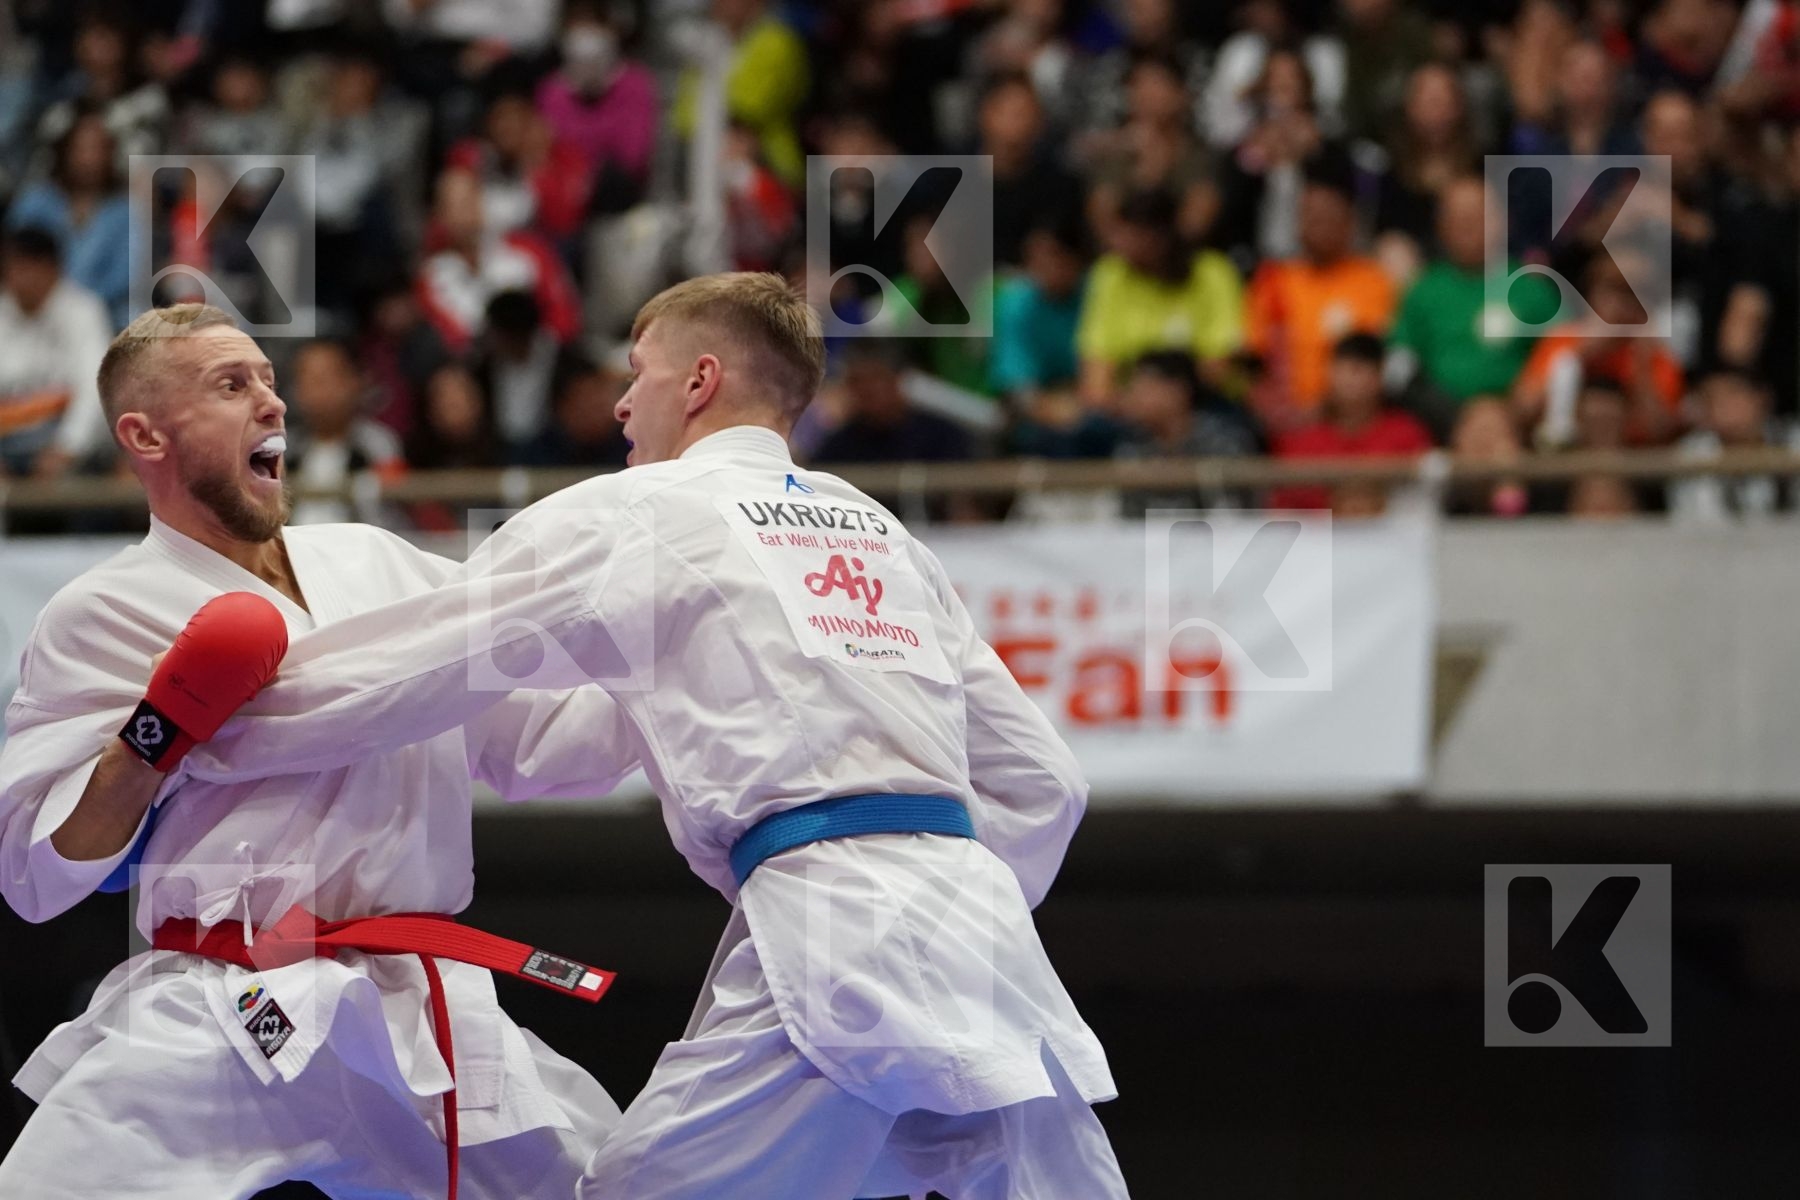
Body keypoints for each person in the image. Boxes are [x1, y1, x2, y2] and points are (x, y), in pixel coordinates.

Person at [184, 273, 1126, 1199]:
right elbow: (1048, 785)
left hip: (838, 927)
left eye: (638, 372)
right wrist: (937, 887)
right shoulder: (880, 532)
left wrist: (209, 732)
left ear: (700, 380)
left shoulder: (637, 511)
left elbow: (416, 663)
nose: (623, 402)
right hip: (987, 941)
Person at [0, 303, 630, 1198]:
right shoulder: (100, 612)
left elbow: (534, 741)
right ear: (144, 433)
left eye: (268, 379)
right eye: (232, 384)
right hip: (218, 998)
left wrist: (672, 689)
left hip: (414, 1002)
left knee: (602, 1184)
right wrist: (154, 737)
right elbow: (36, 875)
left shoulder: (382, 562)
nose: (273, 403)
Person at [0, 225, 113, 478]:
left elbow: (94, 387)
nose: (19, 278)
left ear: (53, 269)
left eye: (28, 268)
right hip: (7, 445)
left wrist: (66, 448)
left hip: (66, 444)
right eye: (13, 268)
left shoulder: (83, 311)